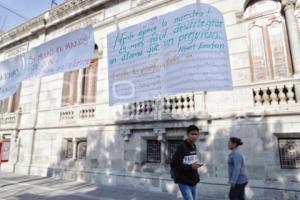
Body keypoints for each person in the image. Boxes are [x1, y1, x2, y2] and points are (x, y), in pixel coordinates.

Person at [171, 125, 202, 200]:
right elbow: (174, 164)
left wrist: (196, 165)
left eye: (196, 134)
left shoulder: (194, 146)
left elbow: (191, 161)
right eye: (192, 134)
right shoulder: (181, 147)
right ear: (187, 134)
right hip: (183, 181)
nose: (194, 136)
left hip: (193, 180)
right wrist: (190, 167)